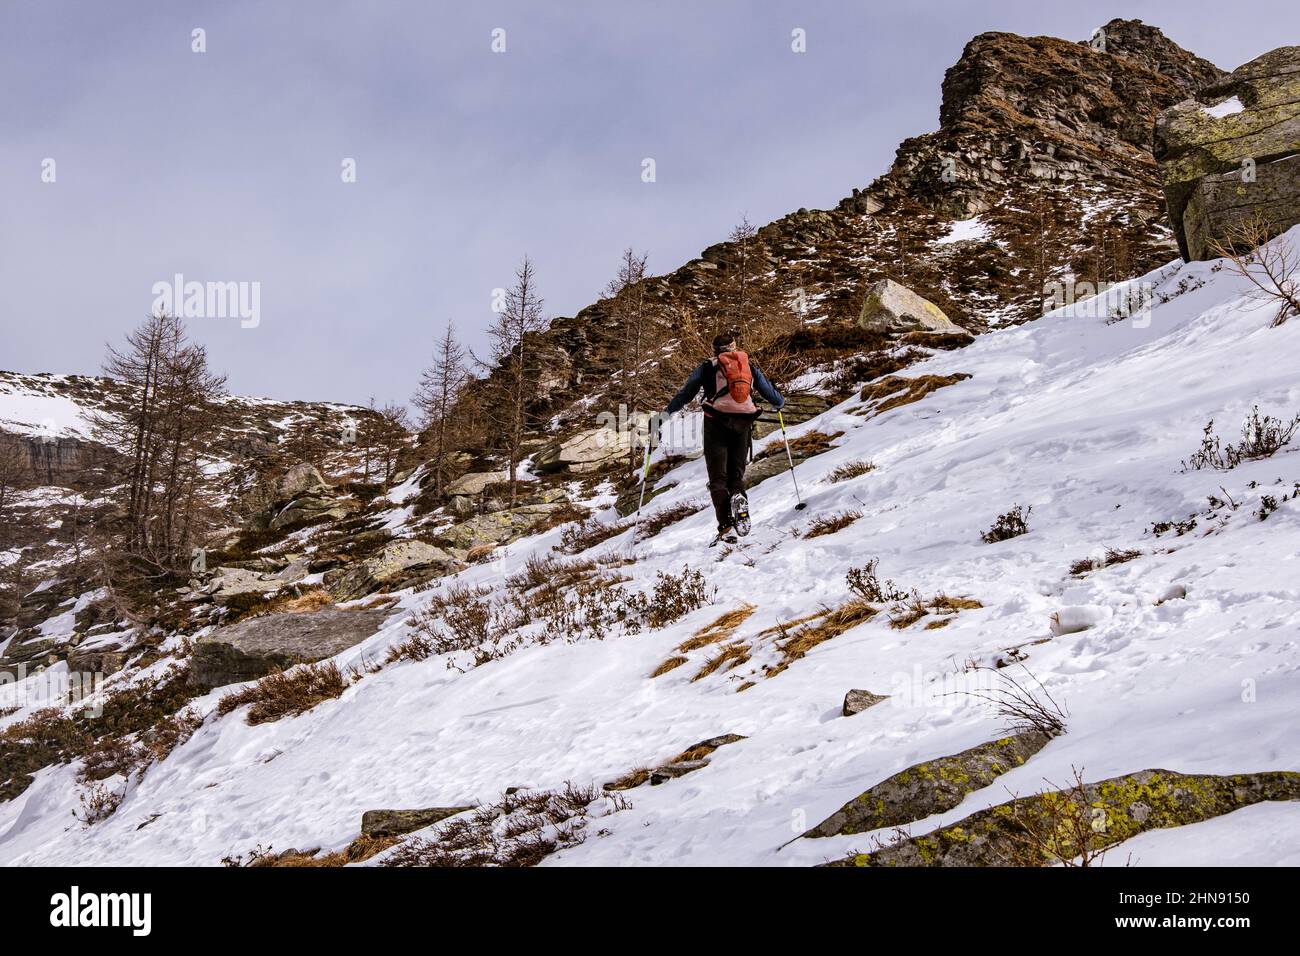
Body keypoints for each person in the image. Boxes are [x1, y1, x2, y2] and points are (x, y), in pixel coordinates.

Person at [659, 331, 784, 542]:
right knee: (736, 475)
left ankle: (726, 527)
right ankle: (740, 504)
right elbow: (769, 393)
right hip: (743, 423)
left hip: (715, 423)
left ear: (714, 350)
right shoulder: (747, 366)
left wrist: (665, 414)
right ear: (735, 347)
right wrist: (779, 403)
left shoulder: (707, 367)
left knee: (718, 479)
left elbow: (686, 393)